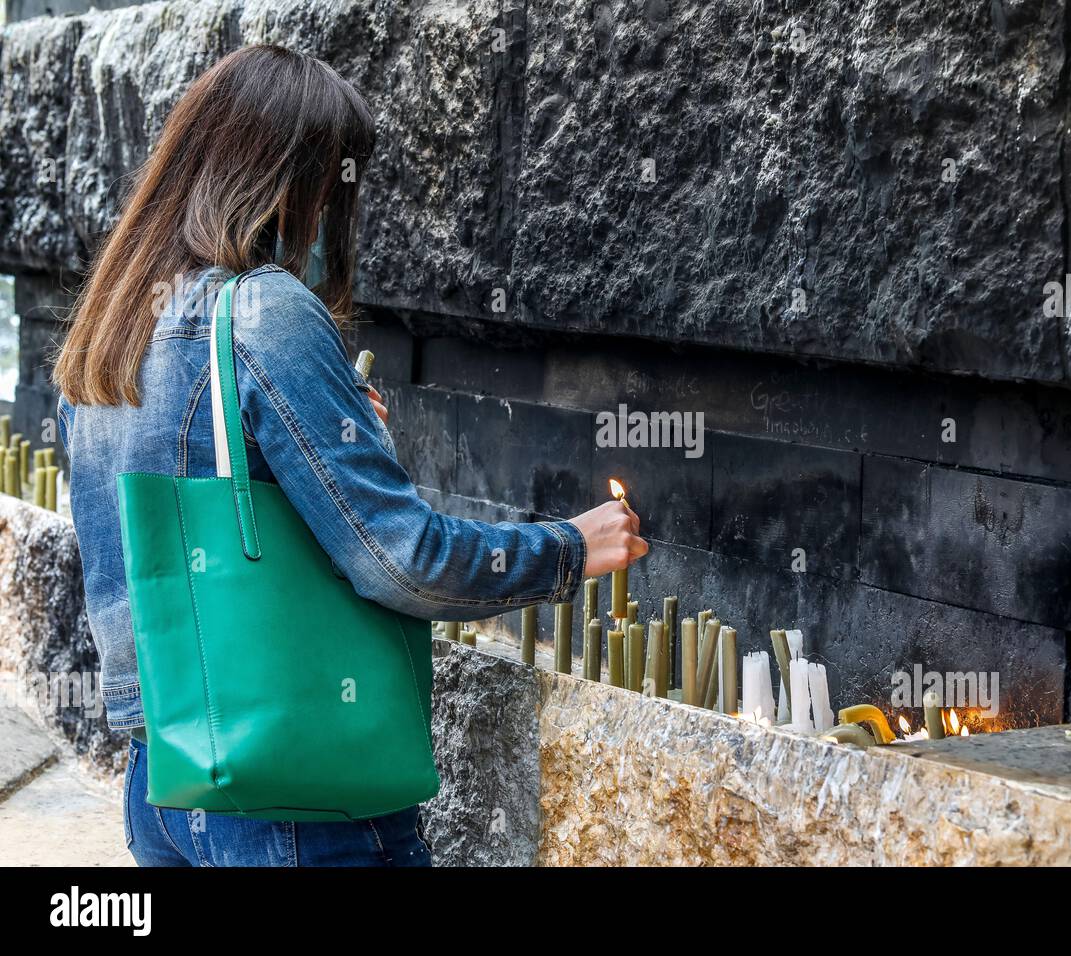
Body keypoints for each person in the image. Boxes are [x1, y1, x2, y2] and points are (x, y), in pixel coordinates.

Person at [51, 44, 647, 867]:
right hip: (297, 795)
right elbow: (400, 559)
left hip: (166, 784)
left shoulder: (112, 325)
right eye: (337, 181)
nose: (339, 210)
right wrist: (572, 547)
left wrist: (342, 429)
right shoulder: (264, 308)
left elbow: (163, 551)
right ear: (291, 184)